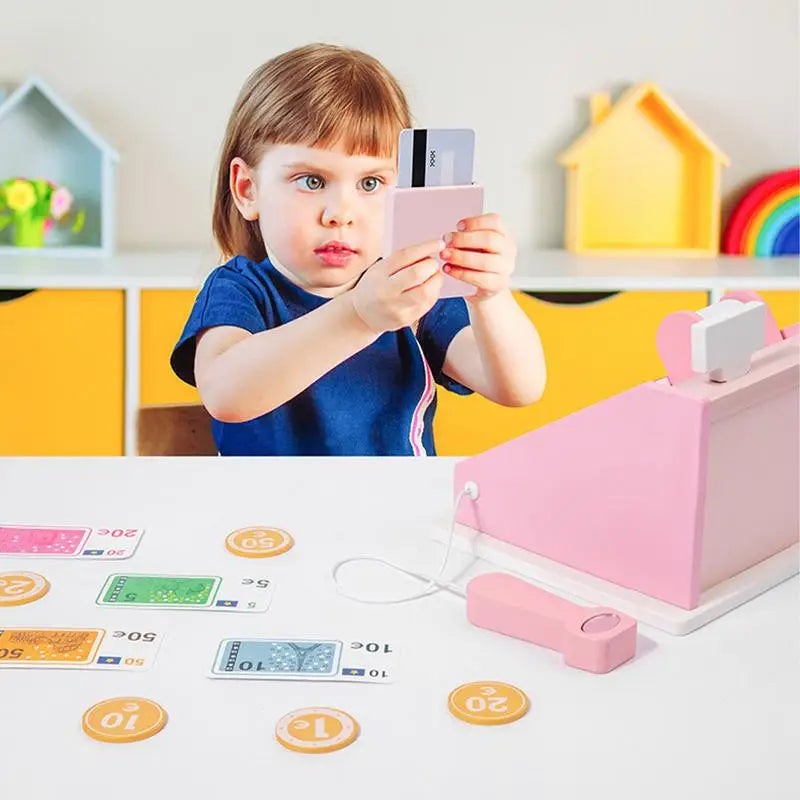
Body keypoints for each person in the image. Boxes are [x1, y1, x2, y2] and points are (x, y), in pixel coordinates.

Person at [170, 42, 546, 456]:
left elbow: (520, 388)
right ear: (247, 189)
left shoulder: (414, 292)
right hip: (273, 519)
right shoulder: (240, 290)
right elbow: (227, 395)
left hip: (393, 515)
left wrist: (490, 297)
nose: (341, 213)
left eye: (370, 184)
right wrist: (358, 315)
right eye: (312, 181)